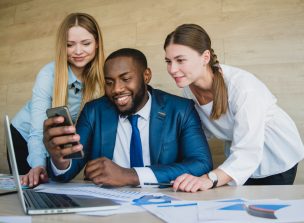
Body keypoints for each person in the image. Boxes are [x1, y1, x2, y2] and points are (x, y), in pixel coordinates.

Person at [164, 24, 304, 192]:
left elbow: (248, 152)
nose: (172, 69)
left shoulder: (243, 87)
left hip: (276, 154)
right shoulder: (188, 89)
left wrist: (209, 179)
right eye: (168, 61)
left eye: (180, 60)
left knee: (266, 212)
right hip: (239, 157)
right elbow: (199, 134)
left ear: (205, 57)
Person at [43, 48, 212, 186]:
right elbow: (67, 172)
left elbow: (201, 163)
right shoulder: (93, 111)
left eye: (126, 79)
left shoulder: (181, 109)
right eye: (109, 82)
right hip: (107, 208)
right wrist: (60, 161)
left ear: (146, 76)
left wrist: (131, 175)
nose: (116, 89)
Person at [9, 12, 105, 187]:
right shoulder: (48, 74)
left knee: (54, 188)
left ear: (97, 43)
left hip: (55, 141)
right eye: (69, 45)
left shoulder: (103, 79)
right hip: (25, 135)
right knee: (31, 188)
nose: (78, 51)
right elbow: (37, 131)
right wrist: (38, 164)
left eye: (86, 43)